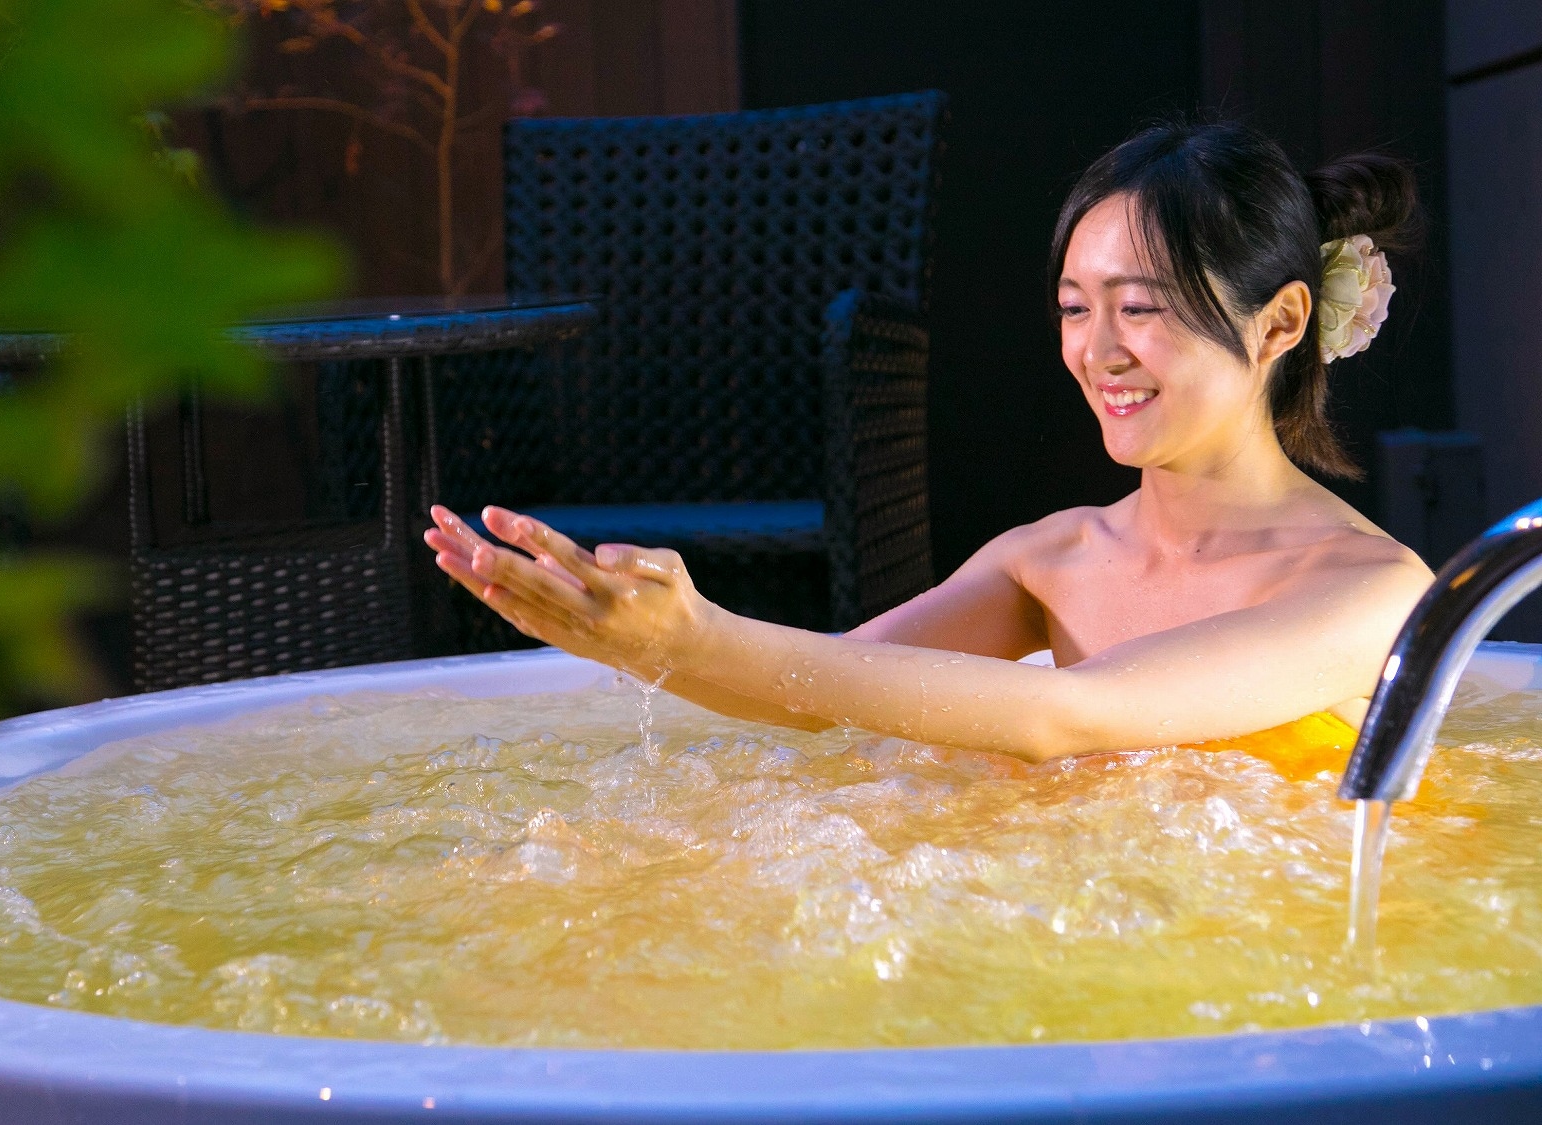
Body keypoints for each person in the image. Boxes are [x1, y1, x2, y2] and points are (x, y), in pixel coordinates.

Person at [421, 120, 1436, 766]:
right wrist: (620, 639)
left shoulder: (1369, 589)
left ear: (1280, 322)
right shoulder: (1050, 558)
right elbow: (823, 688)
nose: (1098, 352)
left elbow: (1068, 717)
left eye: (1144, 309)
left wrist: (695, 638)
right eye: (1075, 310)